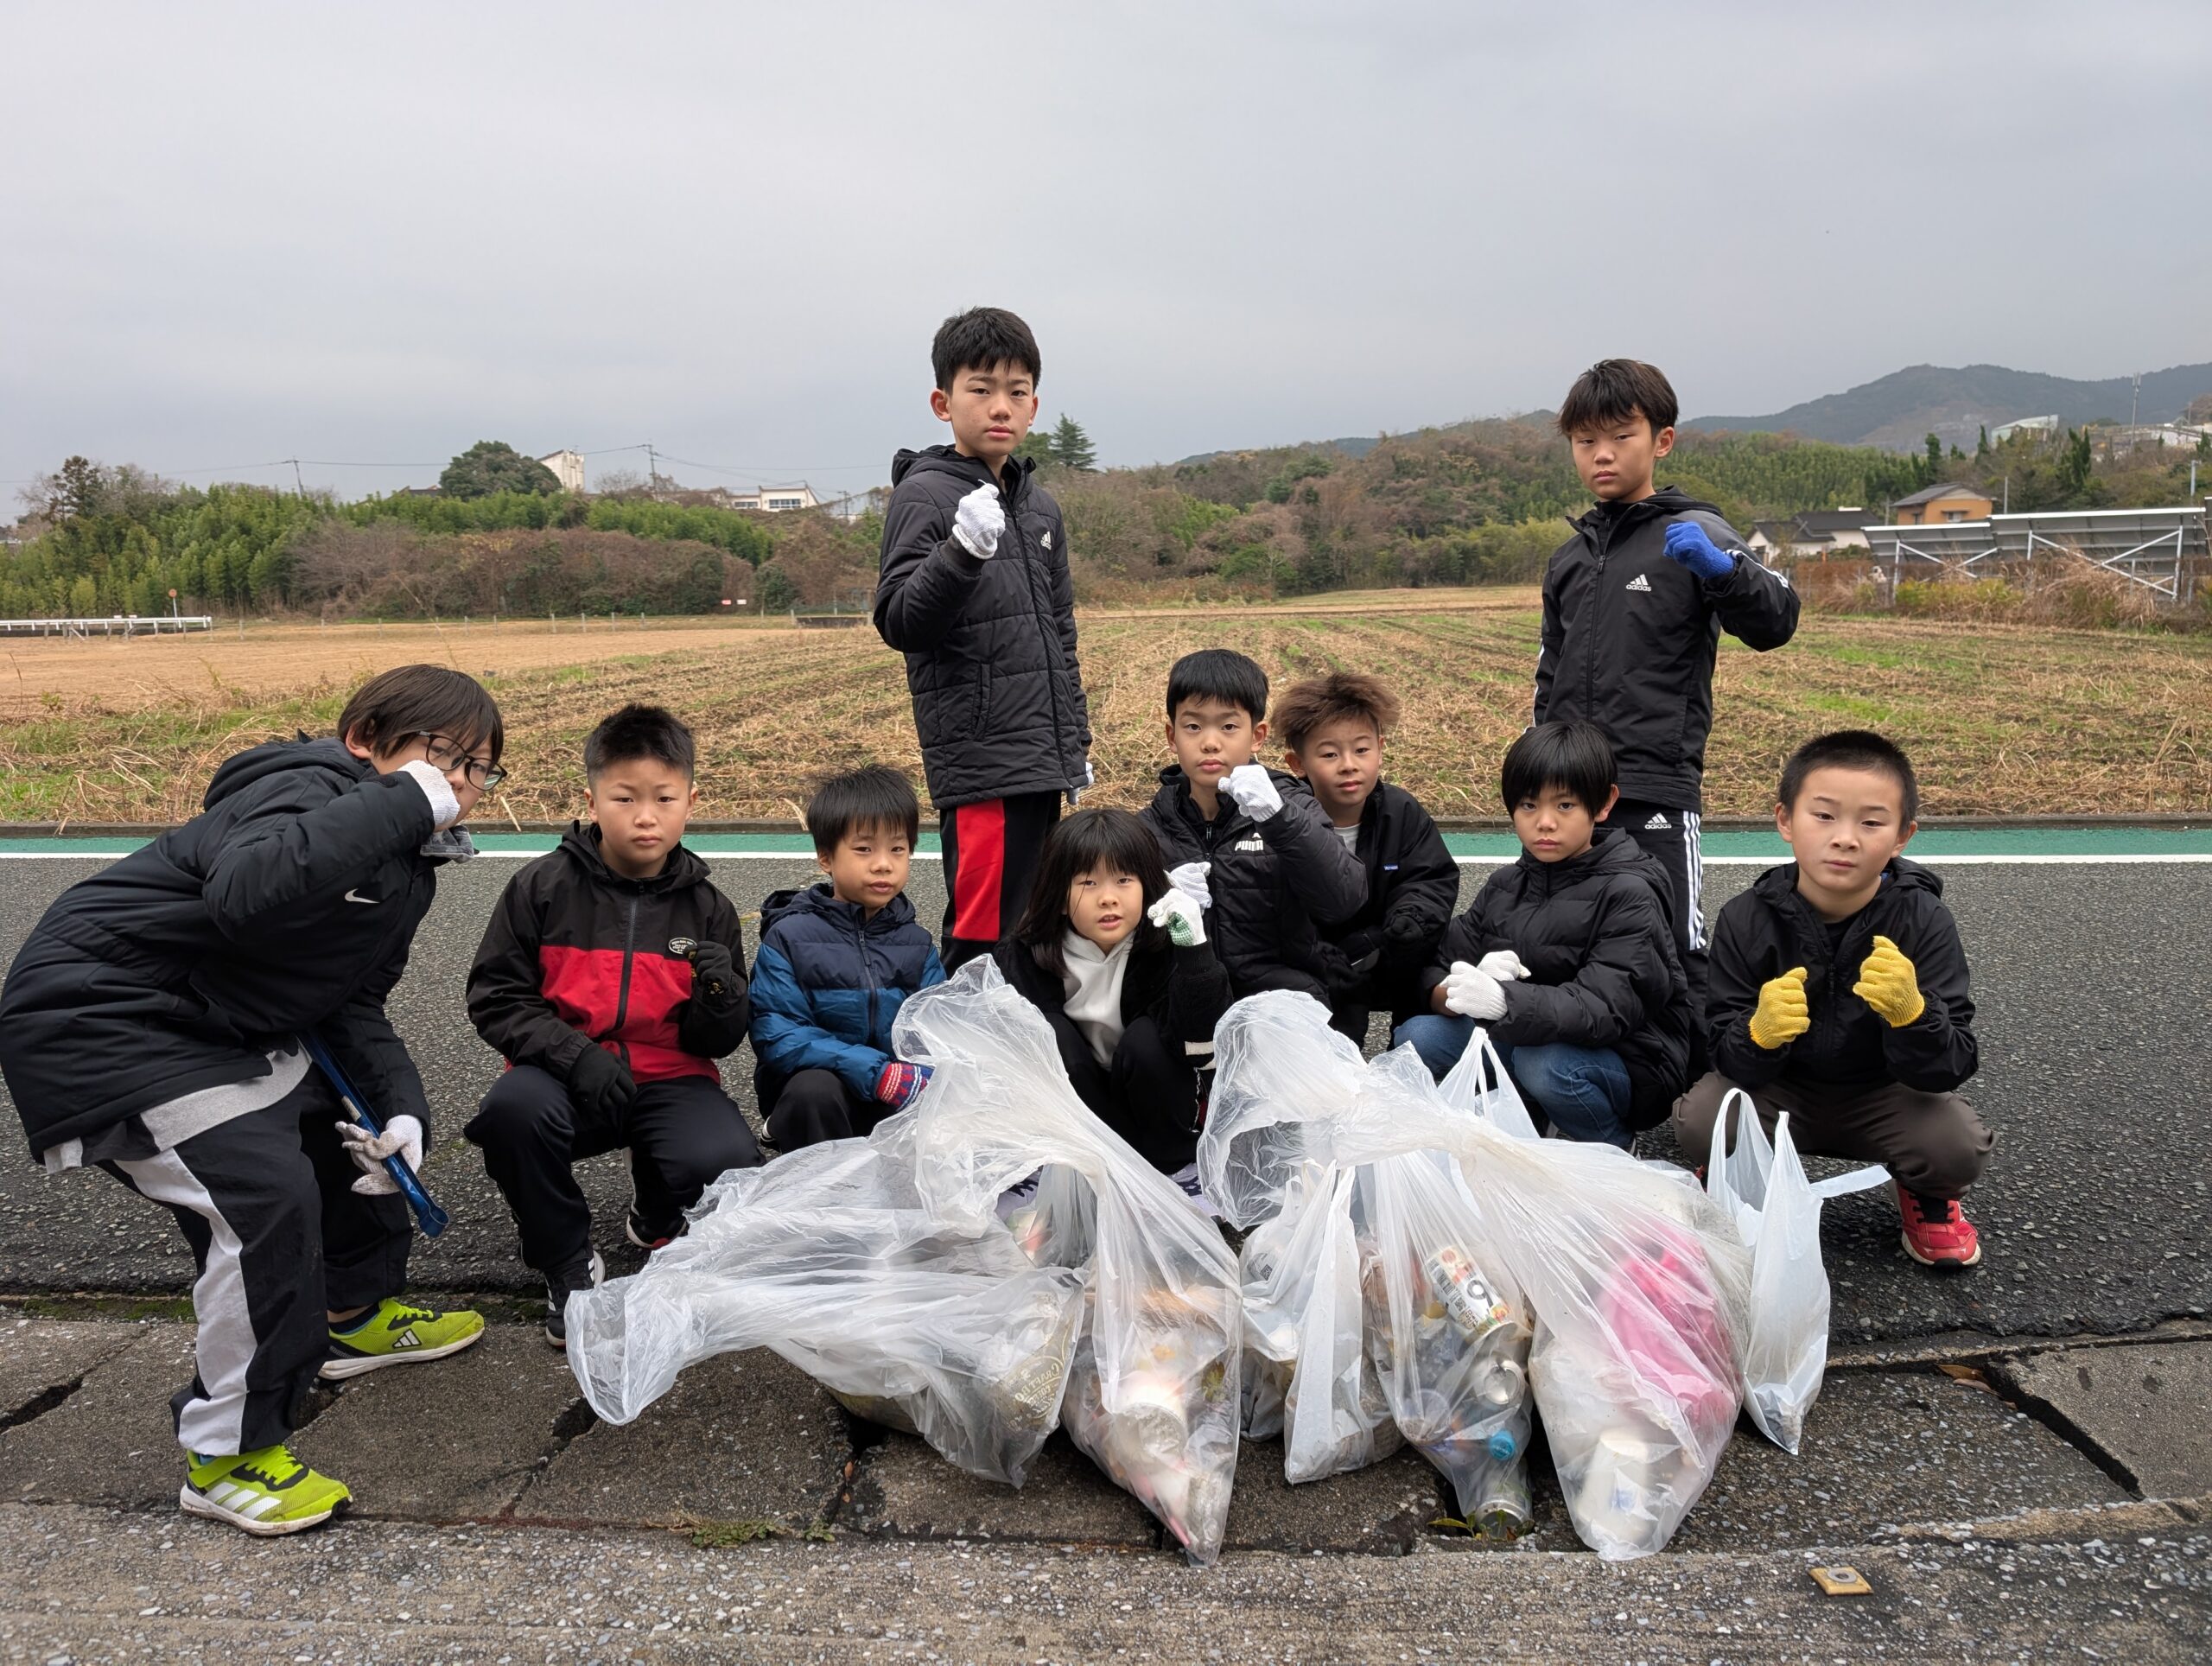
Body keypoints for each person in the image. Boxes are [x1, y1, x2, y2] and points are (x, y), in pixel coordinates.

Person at [0, 666, 499, 1536]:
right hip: (105, 1021)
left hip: (209, 1025)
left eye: (479, 768)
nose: (458, 782)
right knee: (262, 1198)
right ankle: (228, 1453)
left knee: (341, 1125)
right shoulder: (298, 787)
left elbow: (351, 1004)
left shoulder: (405, 865)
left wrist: (402, 1110)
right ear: (363, 741)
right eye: (441, 755)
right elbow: (245, 888)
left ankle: (351, 1312)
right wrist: (405, 799)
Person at [464, 703, 758, 1350]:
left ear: (691, 802)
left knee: (727, 1159)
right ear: (592, 801)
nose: (645, 816)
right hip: (564, 1076)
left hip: (669, 1078)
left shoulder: (710, 908)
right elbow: (496, 997)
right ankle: (566, 1261)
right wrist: (575, 1055)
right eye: (625, 798)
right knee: (512, 1114)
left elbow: (717, 1043)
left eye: (664, 798)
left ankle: (655, 1213)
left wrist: (719, 997)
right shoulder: (540, 887)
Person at [1536, 358, 1801, 1023]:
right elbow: (1549, 672)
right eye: (1585, 441)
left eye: (1620, 436)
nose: (1601, 454)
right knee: (1565, 940)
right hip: (1571, 790)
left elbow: (1775, 621)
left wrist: (1724, 572)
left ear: (1663, 440)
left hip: (1654, 781)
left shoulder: (1696, 532)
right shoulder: (1569, 559)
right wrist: (1540, 769)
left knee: (1672, 945)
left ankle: (1699, 1073)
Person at [1672, 730, 1992, 1269]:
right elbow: (1723, 1052)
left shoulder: (1924, 919)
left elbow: (1952, 1064)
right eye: (1823, 816)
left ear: (1903, 836)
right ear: (1785, 821)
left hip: (1883, 1095)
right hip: (1780, 1090)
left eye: (1871, 823)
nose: (1845, 838)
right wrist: (1759, 1032)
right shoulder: (1746, 918)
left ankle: (1926, 1194)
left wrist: (1913, 1014)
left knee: (1955, 1144)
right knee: (1703, 1118)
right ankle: (1735, 1173)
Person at [873, 305, 1091, 970]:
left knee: (1033, 928)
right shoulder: (926, 497)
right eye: (981, 388)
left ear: (1034, 406)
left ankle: (1018, 1033)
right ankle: (959, 1035)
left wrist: (1074, 743)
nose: (1001, 406)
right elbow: (900, 620)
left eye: (1017, 392)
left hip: (1041, 758)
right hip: (982, 759)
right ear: (943, 403)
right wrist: (960, 553)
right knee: (983, 933)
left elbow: (1060, 633)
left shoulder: (1039, 506)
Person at [1396, 721, 1692, 1151]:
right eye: (1529, 805)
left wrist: (1503, 1000)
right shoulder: (1505, 886)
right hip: (1529, 1038)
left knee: (1546, 1065)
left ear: (1604, 803)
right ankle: (1532, 1119)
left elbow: (1605, 1007)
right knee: (1419, 1036)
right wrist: (1453, 990)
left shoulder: (1630, 891)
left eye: (1566, 805)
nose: (1546, 823)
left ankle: (1612, 1145)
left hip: (1629, 1057)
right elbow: (1439, 962)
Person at [991, 808, 1228, 1175]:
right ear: (1059, 894)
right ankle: (1091, 1161)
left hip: (1158, 1111)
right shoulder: (1026, 953)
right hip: (1081, 1116)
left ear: (1147, 886)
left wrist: (1196, 953)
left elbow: (1203, 1047)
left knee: (1145, 1041)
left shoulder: (1168, 942)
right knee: (1048, 1033)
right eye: (1088, 883)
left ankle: (1172, 1165)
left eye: (1123, 880)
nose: (1108, 898)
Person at [1138, 648, 1366, 1001]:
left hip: (1282, 997)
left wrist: (1279, 818)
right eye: (1193, 726)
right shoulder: (1149, 827)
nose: (1210, 743)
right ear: (1172, 736)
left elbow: (1343, 900)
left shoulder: (1294, 805)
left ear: (1257, 735)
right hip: (1187, 1000)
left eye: (1229, 727)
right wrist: (1161, 894)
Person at [749, 765, 946, 1148]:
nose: (883, 863)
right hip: (822, 1092)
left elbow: (937, 1028)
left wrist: (926, 1075)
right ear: (826, 858)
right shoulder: (790, 936)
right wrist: (876, 1073)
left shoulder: (916, 943)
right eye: (864, 849)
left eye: (897, 849)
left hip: (894, 1090)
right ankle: (795, 1143)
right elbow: (779, 1033)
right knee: (814, 1091)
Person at [1274, 671, 1459, 1052]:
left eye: (1361, 750)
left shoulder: (1401, 811)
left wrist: (1410, 920)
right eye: (1329, 754)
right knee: (1329, 1048)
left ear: (1380, 747)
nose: (1348, 765)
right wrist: (1318, 951)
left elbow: (1430, 878)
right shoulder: (1286, 821)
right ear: (1297, 763)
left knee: (1428, 955)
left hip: (1389, 948)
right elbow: (1270, 901)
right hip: (1320, 962)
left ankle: (1411, 1054)